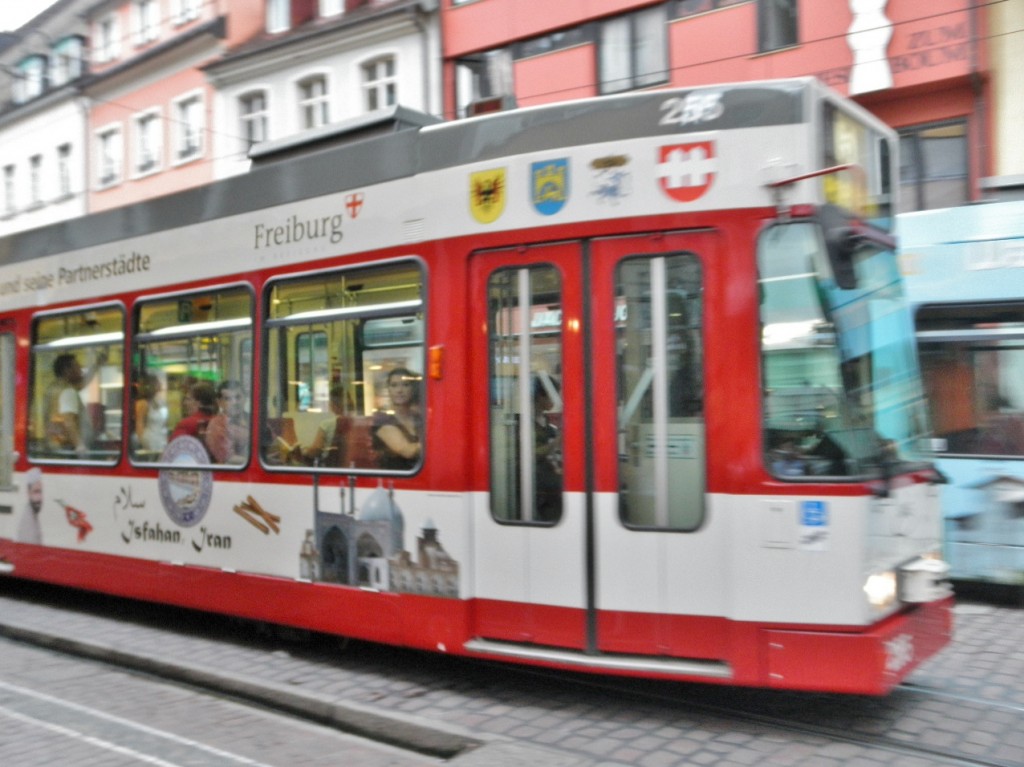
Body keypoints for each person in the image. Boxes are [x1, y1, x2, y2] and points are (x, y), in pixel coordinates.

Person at [46, 352, 102, 455]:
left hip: (56, 445)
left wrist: (97, 364)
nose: (81, 370)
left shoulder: (54, 388)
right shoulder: (68, 391)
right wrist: (79, 445)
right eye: (77, 366)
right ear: (67, 370)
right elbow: (69, 421)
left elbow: (83, 382)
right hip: (69, 448)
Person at [372, 367, 422, 470]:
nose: (400, 390)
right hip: (395, 478)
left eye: (405, 385)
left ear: (412, 389)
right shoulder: (383, 421)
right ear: (389, 390)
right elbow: (408, 451)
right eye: (394, 385)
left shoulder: (419, 418)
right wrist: (434, 444)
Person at [532, 377, 562, 521]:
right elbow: (532, 454)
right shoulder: (527, 421)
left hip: (543, 469)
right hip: (532, 474)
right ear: (540, 396)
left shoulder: (542, 419)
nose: (555, 400)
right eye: (552, 395)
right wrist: (557, 442)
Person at [206, 380, 249, 464]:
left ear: (245, 398)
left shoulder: (253, 419)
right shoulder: (217, 425)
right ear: (220, 403)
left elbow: (271, 443)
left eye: (238, 397)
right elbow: (228, 458)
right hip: (235, 471)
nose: (234, 402)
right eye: (228, 399)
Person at [170, 381, 218, 446]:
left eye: (188, 399)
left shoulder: (186, 424)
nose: (185, 403)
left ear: (199, 402)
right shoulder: (219, 423)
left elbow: (174, 448)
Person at [134, 373, 168, 457]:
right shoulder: (142, 403)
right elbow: (139, 425)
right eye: (157, 382)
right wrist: (145, 442)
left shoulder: (157, 401)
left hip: (161, 438)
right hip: (150, 440)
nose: (160, 385)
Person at [15, 468, 43, 545]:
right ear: (28, 493)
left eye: (40, 492)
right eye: (36, 492)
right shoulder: (28, 522)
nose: (39, 498)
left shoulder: (33, 513)